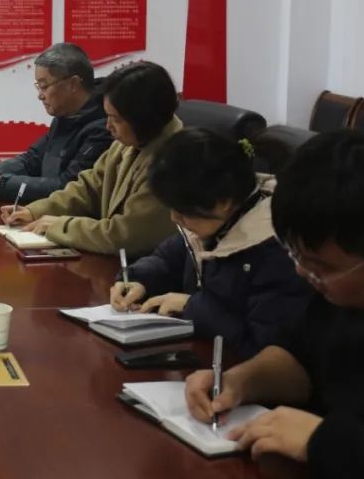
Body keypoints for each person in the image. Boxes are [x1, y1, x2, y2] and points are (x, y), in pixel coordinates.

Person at [185, 130, 364, 475]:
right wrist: (240, 382)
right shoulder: (337, 296)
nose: (302, 272)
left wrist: (324, 441)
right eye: (296, 256)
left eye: (321, 267)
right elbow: (300, 355)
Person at [110, 128, 312, 359]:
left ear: (223, 202)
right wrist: (140, 280)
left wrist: (191, 306)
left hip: (238, 372)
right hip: (199, 357)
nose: (174, 218)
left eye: (182, 211)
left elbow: (265, 348)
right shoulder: (214, 221)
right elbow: (168, 259)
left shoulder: (278, 251)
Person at [1, 61, 181, 256]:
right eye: (108, 116)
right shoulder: (129, 141)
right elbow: (89, 187)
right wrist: (35, 211)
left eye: (116, 119)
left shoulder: (173, 163)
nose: (108, 126)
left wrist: (62, 226)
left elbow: (126, 236)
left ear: (144, 119)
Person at [0, 43, 111, 202]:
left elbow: (68, 188)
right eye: (38, 87)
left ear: (73, 84)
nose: (40, 96)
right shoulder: (65, 115)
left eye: (44, 86)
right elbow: (32, 160)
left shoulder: (104, 128)